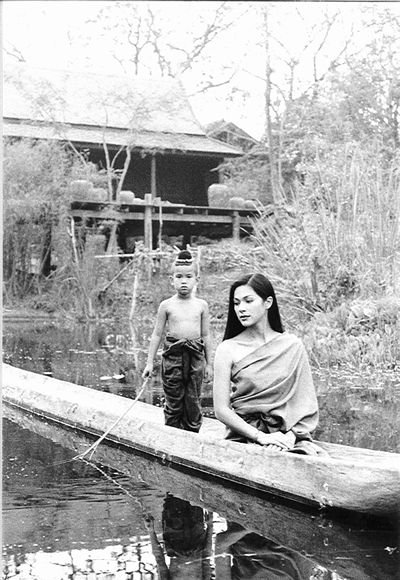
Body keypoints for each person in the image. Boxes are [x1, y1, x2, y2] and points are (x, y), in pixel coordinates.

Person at [213, 273, 325, 454]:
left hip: (287, 436)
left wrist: (290, 436)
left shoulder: (292, 346)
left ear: (268, 302)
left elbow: (306, 403)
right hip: (245, 436)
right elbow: (221, 410)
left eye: (248, 301)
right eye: (236, 303)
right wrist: (260, 437)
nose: (241, 308)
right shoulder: (227, 349)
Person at [142, 250, 212, 432]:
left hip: (196, 356)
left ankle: (192, 433)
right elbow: (157, 334)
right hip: (173, 357)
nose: (183, 281)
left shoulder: (201, 305)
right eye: (179, 276)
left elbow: (206, 335)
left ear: (197, 279)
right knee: (174, 397)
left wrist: (209, 364)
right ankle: (172, 433)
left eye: (188, 276)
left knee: (193, 398)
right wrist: (150, 363)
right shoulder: (166, 305)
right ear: (171, 280)